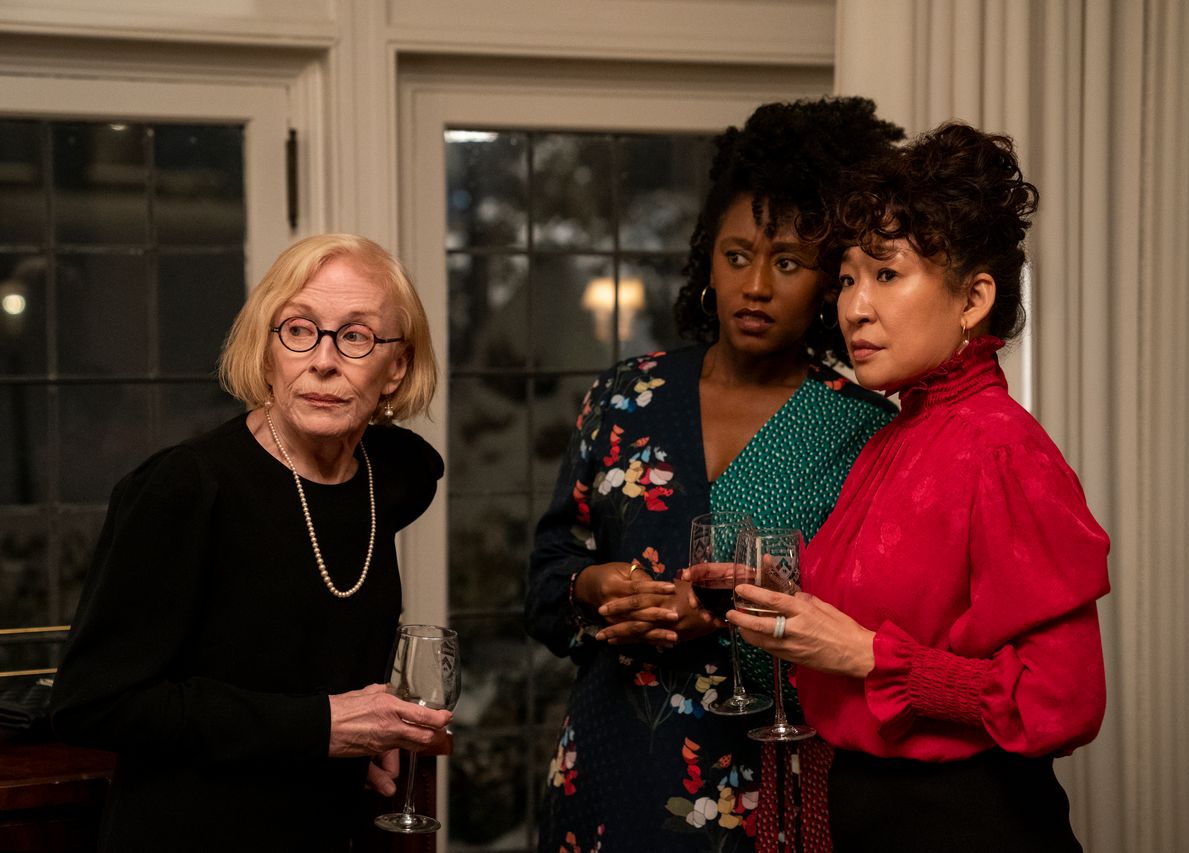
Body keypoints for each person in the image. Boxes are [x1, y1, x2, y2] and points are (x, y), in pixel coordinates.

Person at [525, 98, 903, 853]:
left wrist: (727, 617)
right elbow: (547, 572)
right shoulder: (627, 395)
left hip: (759, 781)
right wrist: (594, 586)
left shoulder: (861, 428)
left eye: (788, 263)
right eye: (737, 256)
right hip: (607, 765)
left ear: (830, 281)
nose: (755, 284)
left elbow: (870, 631)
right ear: (709, 260)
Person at [729, 122, 1111, 852]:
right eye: (845, 277)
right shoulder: (890, 436)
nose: (853, 307)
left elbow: (1062, 702)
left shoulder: (1000, 447)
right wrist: (790, 601)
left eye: (886, 273)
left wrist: (870, 655)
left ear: (973, 299)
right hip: (865, 809)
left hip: (965, 820)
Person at [49, 234, 450, 852]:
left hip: (334, 828)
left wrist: (373, 732)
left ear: (395, 367)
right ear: (266, 354)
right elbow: (94, 701)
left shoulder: (396, 475)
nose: (323, 360)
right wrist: (321, 727)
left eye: (357, 335)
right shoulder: (184, 488)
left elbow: (308, 633)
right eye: (298, 330)